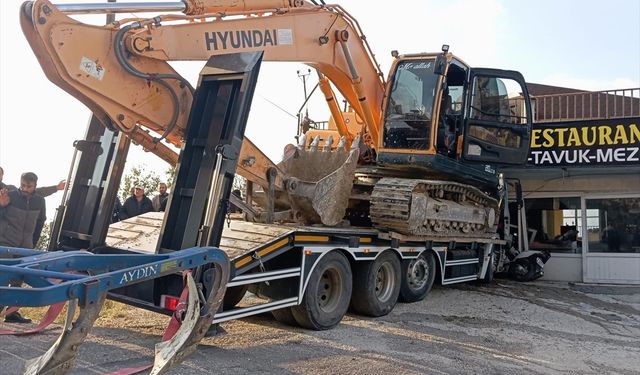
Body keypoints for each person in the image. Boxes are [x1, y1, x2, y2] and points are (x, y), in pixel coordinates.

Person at [0, 172, 48, 324]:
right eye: (23, 186)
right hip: (6, 243)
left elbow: (40, 222)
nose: (25, 189)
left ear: (35, 186)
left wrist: (33, 243)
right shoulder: (11, 195)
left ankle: (12, 313)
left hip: (26, 246)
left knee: (18, 279)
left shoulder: (40, 201)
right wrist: (1, 205)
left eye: (29, 186)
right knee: (2, 276)